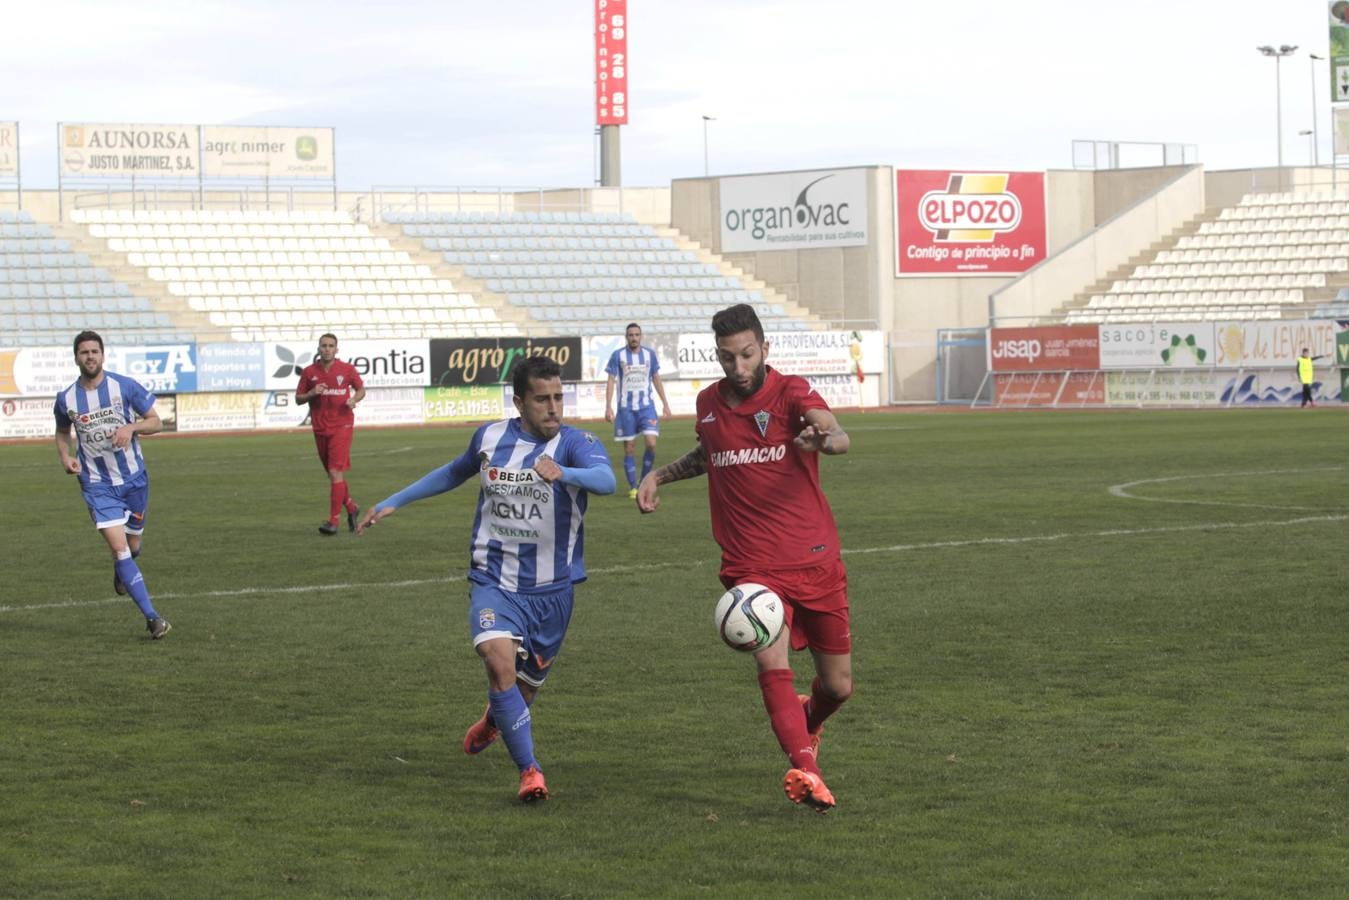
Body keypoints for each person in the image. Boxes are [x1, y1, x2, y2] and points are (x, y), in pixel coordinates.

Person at [357, 356, 615, 803]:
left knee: (521, 690)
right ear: (519, 402)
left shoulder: (576, 443)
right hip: (493, 579)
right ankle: (530, 772)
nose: (554, 407)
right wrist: (395, 500)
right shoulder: (490, 437)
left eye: (559, 397)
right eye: (542, 399)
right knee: (499, 664)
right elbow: (455, 471)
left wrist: (565, 474)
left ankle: (495, 721)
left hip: (553, 593)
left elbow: (607, 481)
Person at [637, 303, 852, 814]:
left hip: (815, 557)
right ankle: (808, 771)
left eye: (747, 355)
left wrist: (824, 438)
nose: (738, 367)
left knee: (839, 687)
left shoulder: (793, 392)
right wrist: (658, 476)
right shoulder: (708, 402)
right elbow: (708, 456)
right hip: (750, 566)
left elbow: (837, 435)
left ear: (765, 349)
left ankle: (810, 719)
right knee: (769, 658)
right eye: (728, 357)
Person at [54, 331, 171, 639]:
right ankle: (153, 618)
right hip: (96, 484)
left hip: (133, 480)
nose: (89, 356)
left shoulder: (124, 386)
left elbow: (157, 421)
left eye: (94, 351)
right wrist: (65, 457)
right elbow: (62, 431)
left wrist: (132, 427)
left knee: (133, 547)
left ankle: (123, 569)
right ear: (76, 357)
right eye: (83, 352)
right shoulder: (66, 399)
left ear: (102, 355)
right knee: (119, 549)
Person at [295, 333, 365, 534]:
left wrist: (354, 399)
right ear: (318, 348)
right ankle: (352, 508)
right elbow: (298, 399)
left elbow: (361, 390)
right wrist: (311, 393)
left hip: (342, 426)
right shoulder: (309, 372)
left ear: (337, 349)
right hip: (320, 428)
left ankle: (333, 522)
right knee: (334, 475)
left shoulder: (347, 369)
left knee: (335, 472)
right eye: (324, 345)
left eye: (331, 345)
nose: (327, 349)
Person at [605, 322, 673, 499]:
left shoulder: (649, 355)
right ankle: (633, 487)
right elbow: (611, 380)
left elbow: (656, 378)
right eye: (630, 335)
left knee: (651, 443)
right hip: (626, 409)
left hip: (646, 408)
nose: (634, 338)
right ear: (626, 337)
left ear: (640, 336)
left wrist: (665, 403)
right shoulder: (618, 355)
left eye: (636, 335)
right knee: (630, 448)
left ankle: (644, 480)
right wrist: (608, 405)